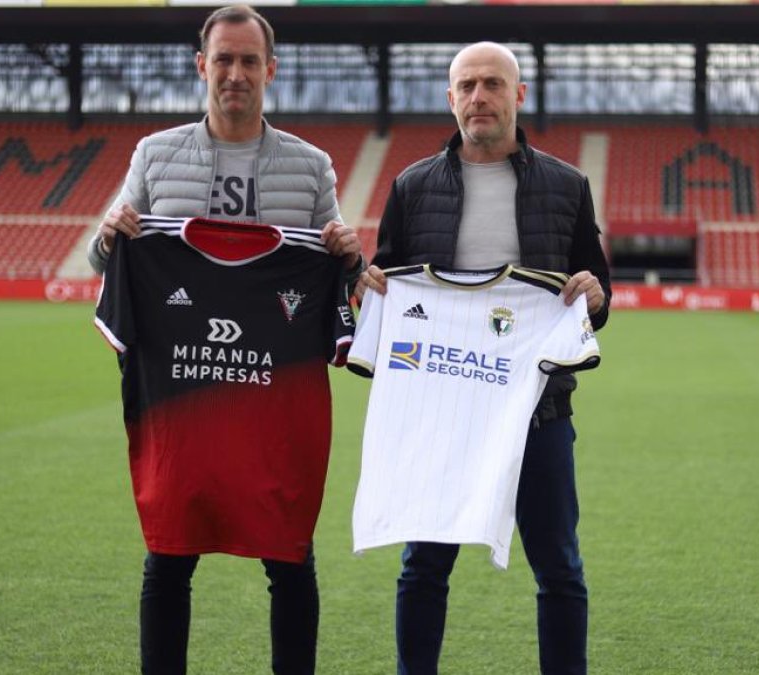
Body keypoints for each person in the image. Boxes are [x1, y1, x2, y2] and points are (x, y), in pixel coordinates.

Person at [88, 6, 362, 675]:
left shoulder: (311, 166)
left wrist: (349, 256)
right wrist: (109, 233)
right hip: (182, 394)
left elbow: (339, 277)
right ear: (200, 65)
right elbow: (106, 264)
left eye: (248, 61)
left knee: (289, 552)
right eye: (223, 59)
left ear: (270, 70)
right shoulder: (154, 154)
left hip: (272, 400)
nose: (235, 73)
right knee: (170, 554)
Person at [355, 42, 611, 675]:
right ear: (450, 99)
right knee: (424, 565)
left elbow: (596, 289)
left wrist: (596, 295)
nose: (478, 97)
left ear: (518, 95)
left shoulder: (567, 186)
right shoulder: (412, 187)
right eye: (466, 85)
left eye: (492, 84)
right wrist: (367, 285)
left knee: (559, 566)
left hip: (538, 411)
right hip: (441, 413)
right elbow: (386, 280)